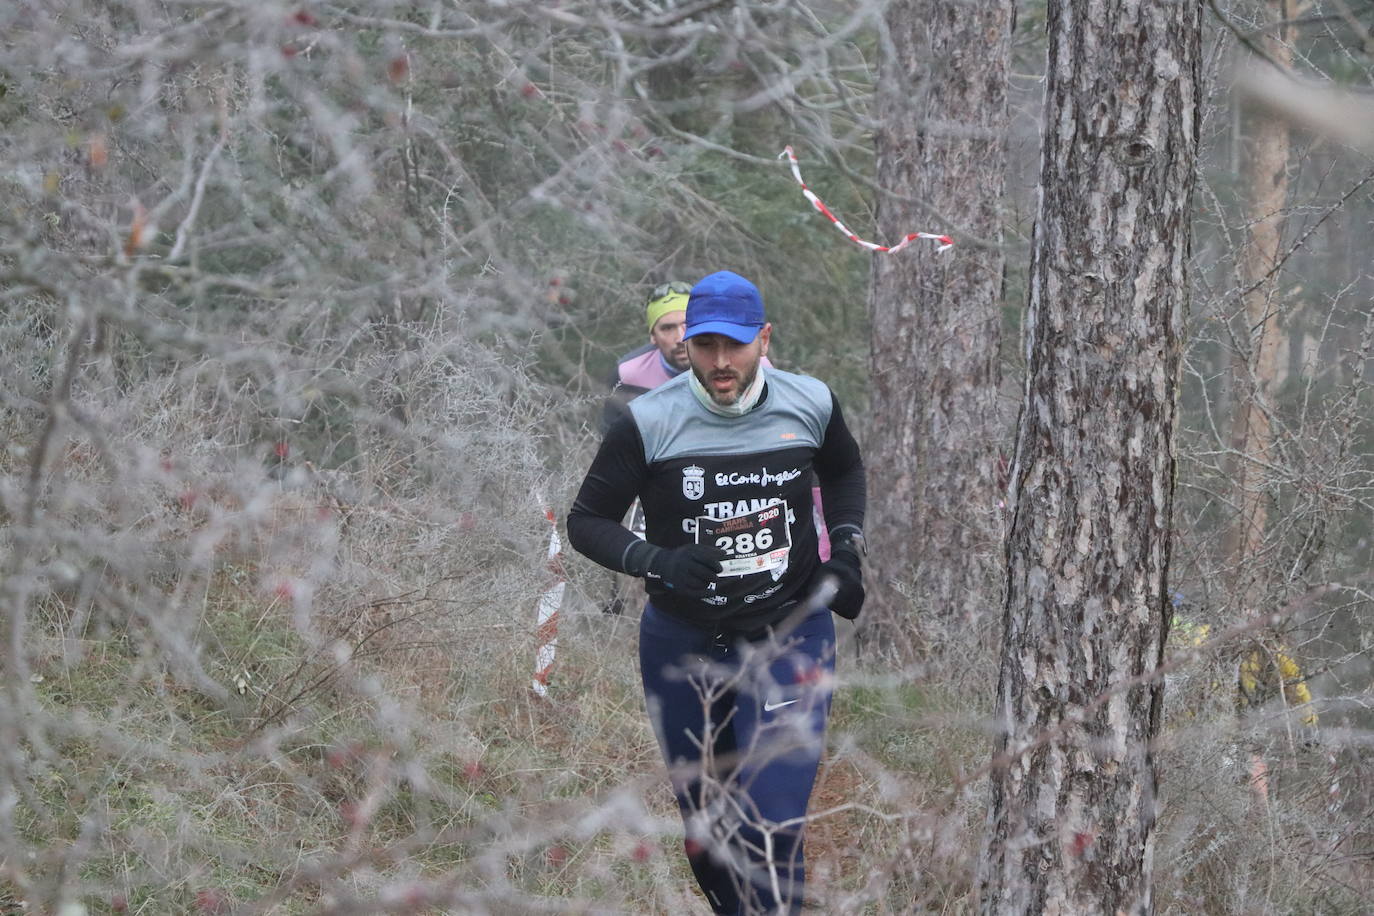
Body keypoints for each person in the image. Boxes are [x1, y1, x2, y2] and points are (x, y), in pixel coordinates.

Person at [568, 270, 867, 915]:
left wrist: (844, 549)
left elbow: (844, 469)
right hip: (684, 644)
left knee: (773, 817)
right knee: (708, 833)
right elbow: (586, 522)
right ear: (687, 345)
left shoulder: (809, 402)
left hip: (790, 633)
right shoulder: (647, 421)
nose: (720, 362)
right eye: (705, 345)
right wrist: (657, 561)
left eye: (735, 344)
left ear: (764, 338)